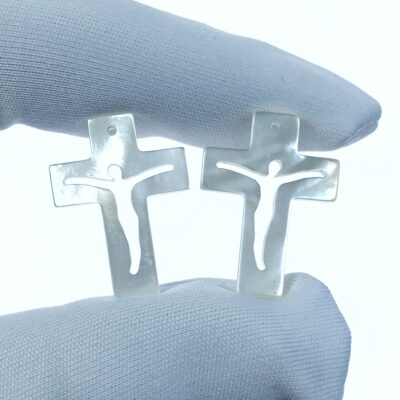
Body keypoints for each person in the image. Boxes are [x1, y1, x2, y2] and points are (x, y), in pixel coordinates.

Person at [0, 1, 381, 399]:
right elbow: (79, 178)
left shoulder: (269, 172)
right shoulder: (122, 176)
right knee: (131, 243)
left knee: (263, 238)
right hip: (125, 210)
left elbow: (305, 174)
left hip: (265, 206)